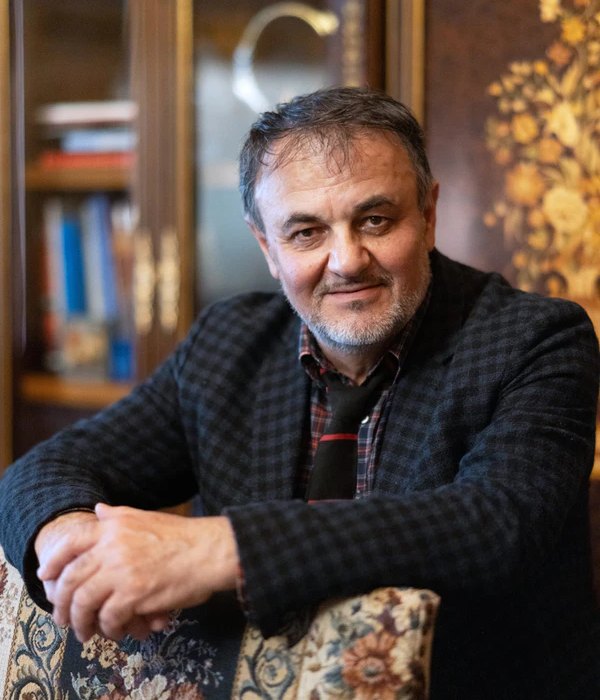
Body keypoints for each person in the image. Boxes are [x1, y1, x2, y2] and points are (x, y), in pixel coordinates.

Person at [0, 87, 598, 700]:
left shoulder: (538, 340)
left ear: (428, 214)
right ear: (267, 247)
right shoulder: (227, 344)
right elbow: (45, 470)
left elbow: (496, 525)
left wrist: (217, 549)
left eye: (375, 220)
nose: (347, 261)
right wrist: (67, 538)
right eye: (307, 232)